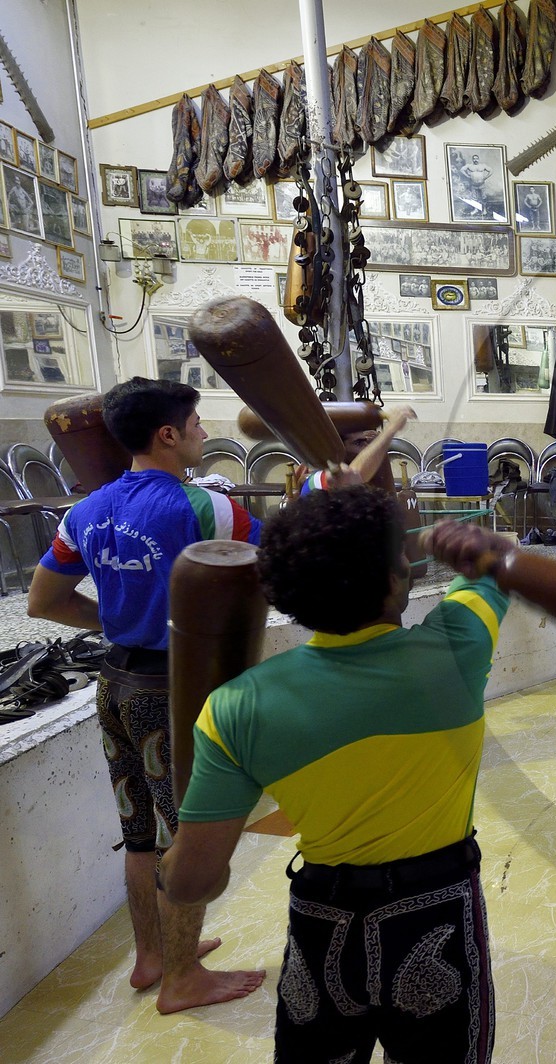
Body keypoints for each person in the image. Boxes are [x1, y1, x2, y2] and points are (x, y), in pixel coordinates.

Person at [162, 490, 510, 1062]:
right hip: (438, 914)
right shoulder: (456, 647)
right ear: (396, 580)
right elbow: (495, 555)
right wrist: (424, 537)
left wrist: (168, 871)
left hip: (324, 926)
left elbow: (193, 883)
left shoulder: (235, 707)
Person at [27, 377, 265, 1014]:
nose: (203, 433)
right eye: (194, 424)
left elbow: (43, 600)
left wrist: (112, 620)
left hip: (116, 685)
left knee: (140, 833)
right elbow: (281, 563)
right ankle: (183, 979)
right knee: (188, 836)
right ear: (167, 435)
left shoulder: (85, 512)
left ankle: (153, 956)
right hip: (172, 690)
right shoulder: (205, 507)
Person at [299, 405, 417, 493]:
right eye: (358, 443)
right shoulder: (317, 481)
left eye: (366, 441)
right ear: (338, 448)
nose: (366, 449)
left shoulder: (358, 488)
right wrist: (391, 429)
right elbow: (353, 474)